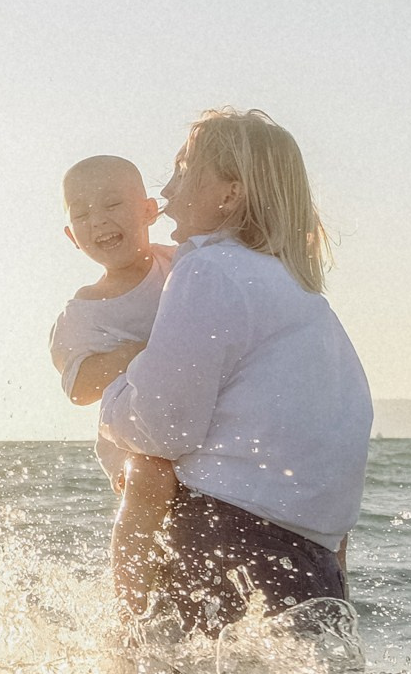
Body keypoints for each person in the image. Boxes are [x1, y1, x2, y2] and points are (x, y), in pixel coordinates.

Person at [91, 109, 373, 632]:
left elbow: (162, 427)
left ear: (230, 194)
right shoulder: (305, 297)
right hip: (316, 567)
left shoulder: (209, 270)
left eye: (183, 170)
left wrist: (111, 399)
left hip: (225, 544)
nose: (166, 190)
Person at [46, 155, 181, 609]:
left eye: (111, 204)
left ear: (149, 211)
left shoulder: (178, 264)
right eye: (82, 213)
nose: (98, 220)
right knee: (151, 476)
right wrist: (142, 351)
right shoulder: (82, 312)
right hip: (133, 438)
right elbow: (79, 387)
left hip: (191, 419)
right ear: (71, 235)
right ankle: (129, 609)